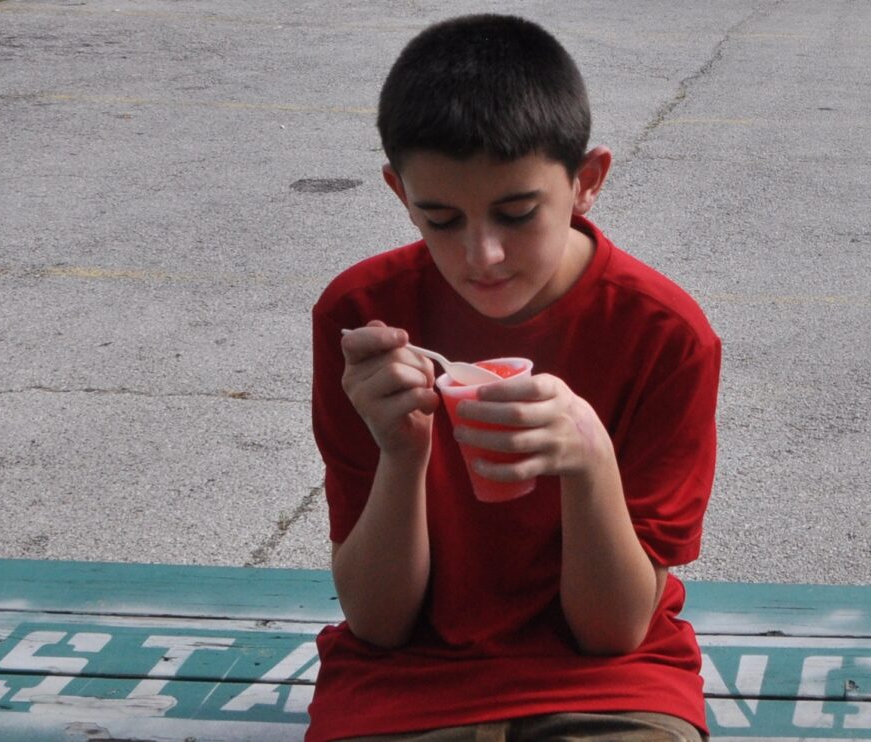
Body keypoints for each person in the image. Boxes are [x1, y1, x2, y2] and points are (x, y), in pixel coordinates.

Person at [307, 14, 719, 742]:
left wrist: (591, 461)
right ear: (400, 195)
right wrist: (403, 454)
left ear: (587, 182)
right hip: (411, 677)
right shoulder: (365, 317)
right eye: (439, 219)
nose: (482, 256)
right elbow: (378, 622)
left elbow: (613, 631)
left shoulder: (663, 334)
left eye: (517, 214)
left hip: (606, 681)